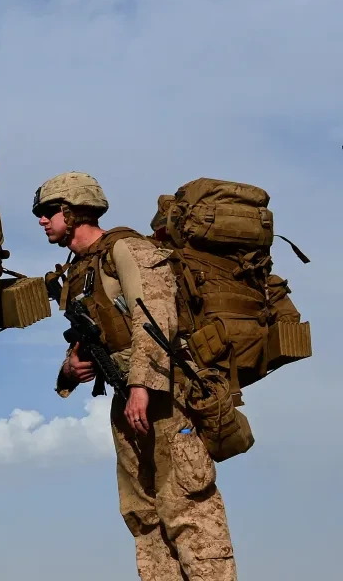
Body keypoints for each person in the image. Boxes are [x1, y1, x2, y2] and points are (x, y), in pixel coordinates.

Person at [33, 172, 236, 580]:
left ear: (73, 212)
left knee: (188, 509)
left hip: (167, 398)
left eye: (49, 211)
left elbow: (156, 321)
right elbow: (91, 339)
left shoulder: (128, 249)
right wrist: (71, 369)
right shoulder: (79, 270)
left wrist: (142, 386)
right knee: (143, 517)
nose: (42, 220)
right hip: (127, 401)